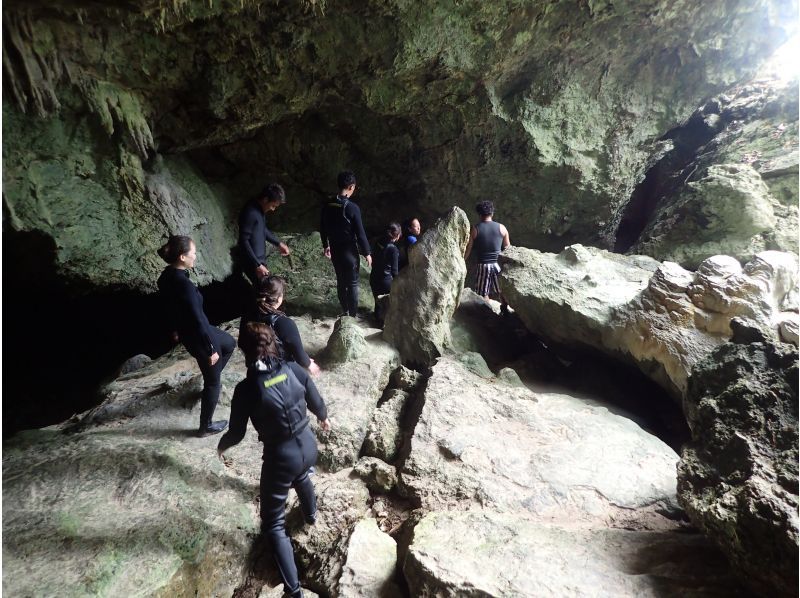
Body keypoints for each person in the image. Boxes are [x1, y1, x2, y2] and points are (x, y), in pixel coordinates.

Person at [218, 322, 331, 598]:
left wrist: (222, 446)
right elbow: (318, 403)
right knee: (303, 474)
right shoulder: (293, 369)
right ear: (274, 344)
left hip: (281, 458)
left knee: (273, 524)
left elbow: (237, 432)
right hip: (308, 446)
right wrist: (324, 417)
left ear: (245, 350)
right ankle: (311, 516)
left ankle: (294, 592)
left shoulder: (246, 390)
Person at [157, 235, 235, 436]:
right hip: (199, 336)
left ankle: (212, 375)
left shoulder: (166, 277)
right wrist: (209, 349)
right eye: (193, 253)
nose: (196, 256)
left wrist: (174, 329)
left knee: (229, 343)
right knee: (213, 382)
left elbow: (169, 308)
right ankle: (205, 427)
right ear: (183, 257)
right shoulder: (185, 285)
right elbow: (198, 318)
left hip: (188, 331)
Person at [239, 275, 321, 376]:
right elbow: (299, 354)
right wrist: (309, 364)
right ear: (279, 298)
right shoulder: (284, 323)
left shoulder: (247, 318)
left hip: (256, 371)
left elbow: (241, 343)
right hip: (281, 373)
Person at [319, 171, 372, 317]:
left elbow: (323, 226)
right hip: (349, 251)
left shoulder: (328, 204)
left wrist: (325, 245)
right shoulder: (352, 207)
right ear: (351, 186)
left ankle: (345, 311)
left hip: (335, 249)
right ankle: (353, 316)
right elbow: (360, 233)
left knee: (341, 282)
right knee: (353, 283)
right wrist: (367, 253)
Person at [239, 183, 291, 286]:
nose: (273, 209)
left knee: (265, 289)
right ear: (265, 199)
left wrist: (278, 243)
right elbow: (243, 241)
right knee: (263, 292)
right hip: (252, 262)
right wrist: (257, 265)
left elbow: (262, 228)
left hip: (259, 260)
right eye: (273, 205)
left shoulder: (259, 208)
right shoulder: (251, 212)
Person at [464, 201, 511, 310]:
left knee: (482, 292)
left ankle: (486, 313)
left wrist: (462, 261)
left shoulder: (475, 229)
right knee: (501, 290)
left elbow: (469, 248)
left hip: (483, 265)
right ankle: (505, 309)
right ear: (492, 213)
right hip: (496, 265)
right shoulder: (502, 228)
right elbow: (509, 250)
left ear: (479, 214)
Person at [369, 222, 401, 322]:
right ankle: (383, 325)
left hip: (374, 277)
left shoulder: (377, 242)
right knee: (387, 306)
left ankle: (377, 321)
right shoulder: (393, 249)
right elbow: (395, 271)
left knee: (378, 303)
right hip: (386, 281)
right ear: (398, 235)